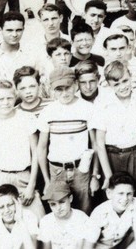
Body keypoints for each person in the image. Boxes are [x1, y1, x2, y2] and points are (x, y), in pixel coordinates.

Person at [0, 80, 44, 219]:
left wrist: (31, 186)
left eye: (9, 98)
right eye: (1, 99)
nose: (5, 102)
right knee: (2, 222)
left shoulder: (26, 118)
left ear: (15, 97)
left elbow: (36, 153)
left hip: (23, 177)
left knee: (37, 218)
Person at [37, 66, 96, 213]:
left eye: (68, 87)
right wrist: (46, 180)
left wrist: (95, 175)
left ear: (76, 85)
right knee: (59, 211)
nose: (64, 93)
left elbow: (95, 144)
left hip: (81, 170)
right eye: (59, 89)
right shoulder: (47, 112)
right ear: (52, 90)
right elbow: (42, 147)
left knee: (84, 210)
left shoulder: (87, 108)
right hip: (57, 171)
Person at [93, 61, 136, 196]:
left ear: (130, 76)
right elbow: (99, 143)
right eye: (116, 84)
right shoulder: (103, 104)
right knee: (115, 196)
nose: (123, 87)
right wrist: (108, 175)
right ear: (109, 85)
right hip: (112, 157)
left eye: (125, 81)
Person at [88, 171, 136, 248]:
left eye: (129, 194)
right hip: (101, 246)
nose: (125, 199)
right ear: (109, 193)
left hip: (122, 245)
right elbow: (88, 246)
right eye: (120, 193)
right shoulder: (99, 212)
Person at [0, 184, 39, 249]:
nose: (6, 210)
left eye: (10, 205)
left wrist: (20, 220)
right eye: (1, 207)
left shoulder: (29, 216)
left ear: (18, 202)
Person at [38, 180, 98, 248]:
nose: (58, 208)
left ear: (70, 198)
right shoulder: (46, 221)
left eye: (62, 202)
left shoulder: (81, 219)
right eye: (53, 204)